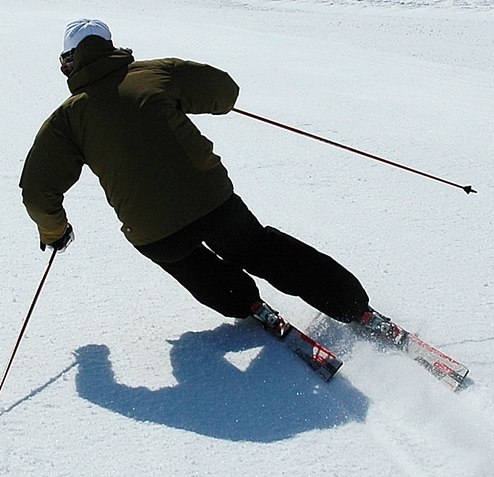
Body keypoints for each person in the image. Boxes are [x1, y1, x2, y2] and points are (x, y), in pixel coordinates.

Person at [20, 19, 396, 336]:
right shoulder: (156, 72)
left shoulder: (66, 119)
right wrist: (179, 98)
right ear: (110, 47)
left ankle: (243, 302)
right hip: (213, 201)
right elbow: (224, 90)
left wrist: (55, 232)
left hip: (153, 229)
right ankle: (352, 306)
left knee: (189, 263)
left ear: (71, 62)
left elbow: (37, 191)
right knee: (258, 248)